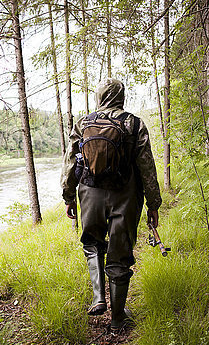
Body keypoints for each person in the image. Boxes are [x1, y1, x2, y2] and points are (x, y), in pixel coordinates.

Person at [61, 78, 162, 331]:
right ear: (121, 96)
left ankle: (98, 297)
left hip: (90, 193)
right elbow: (146, 166)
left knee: (93, 243)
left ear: (99, 96)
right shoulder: (134, 123)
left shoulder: (83, 123)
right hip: (125, 196)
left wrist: (68, 195)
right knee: (120, 253)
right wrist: (153, 202)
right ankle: (118, 319)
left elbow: (70, 162)